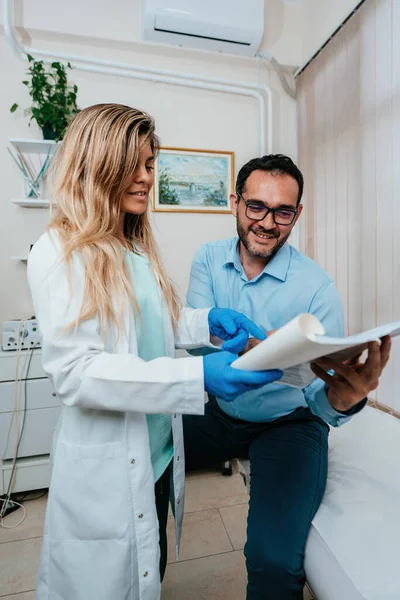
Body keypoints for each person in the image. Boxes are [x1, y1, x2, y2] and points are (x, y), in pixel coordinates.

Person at [27, 105, 283, 600]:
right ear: (99, 162)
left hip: (158, 453)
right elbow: (76, 373)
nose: (147, 178)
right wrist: (198, 379)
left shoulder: (132, 246)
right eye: (137, 165)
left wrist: (205, 322)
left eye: (150, 164)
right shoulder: (60, 251)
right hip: (108, 464)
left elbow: (149, 325)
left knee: (149, 567)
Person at [183, 154, 391, 600]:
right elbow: (195, 342)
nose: (267, 222)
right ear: (235, 203)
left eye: (282, 211)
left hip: (287, 425)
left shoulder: (317, 287)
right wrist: (247, 348)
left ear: (297, 214)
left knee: (274, 561)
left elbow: (323, 393)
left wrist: (344, 400)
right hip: (217, 413)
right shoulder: (208, 259)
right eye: (256, 206)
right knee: (141, 457)